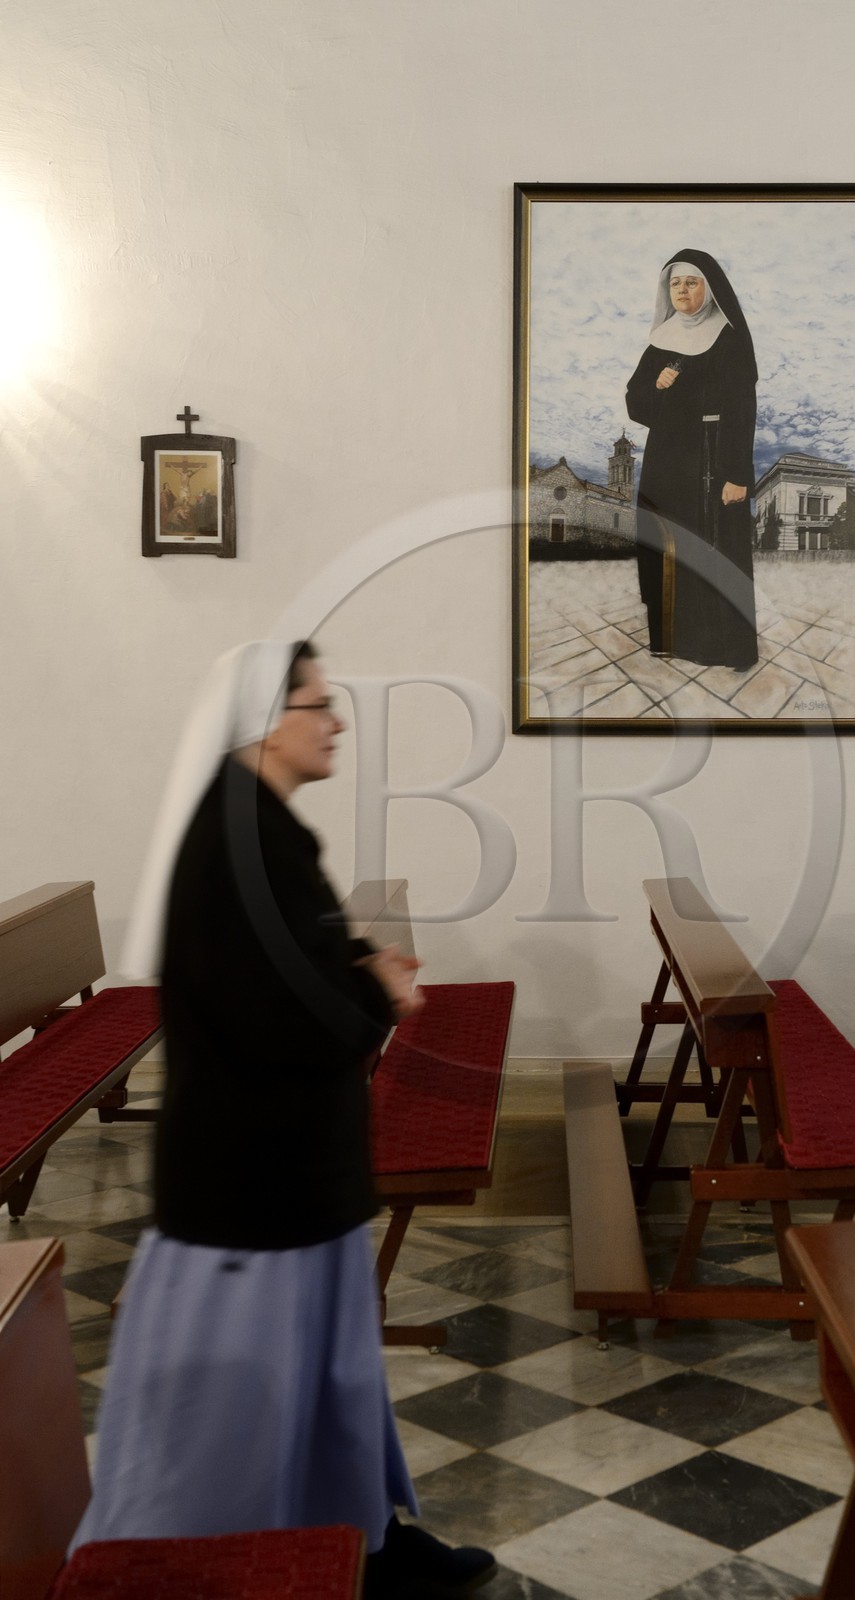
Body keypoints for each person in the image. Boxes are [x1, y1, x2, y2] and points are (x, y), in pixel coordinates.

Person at [71, 639, 497, 1598]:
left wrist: (358, 969)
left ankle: (365, 1546)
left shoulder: (261, 829)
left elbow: (295, 968)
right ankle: (182, 1570)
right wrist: (378, 993)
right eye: (320, 703)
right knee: (232, 1417)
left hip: (294, 1175)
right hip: (250, 1188)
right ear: (268, 720)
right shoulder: (240, 841)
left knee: (329, 1384)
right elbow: (282, 1021)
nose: (336, 719)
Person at [625, 249, 759, 670]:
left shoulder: (730, 336)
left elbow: (743, 408)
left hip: (714, 456)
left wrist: (737, 473)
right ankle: (673, 640)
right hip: (667, 460)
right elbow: (635, 404)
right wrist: (658, 387)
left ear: (709, 287)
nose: (682, 291)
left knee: (715, 549)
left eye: (692, 282)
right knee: (669, 546)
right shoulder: (660, 341)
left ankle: (726, 647)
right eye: (675, 283)